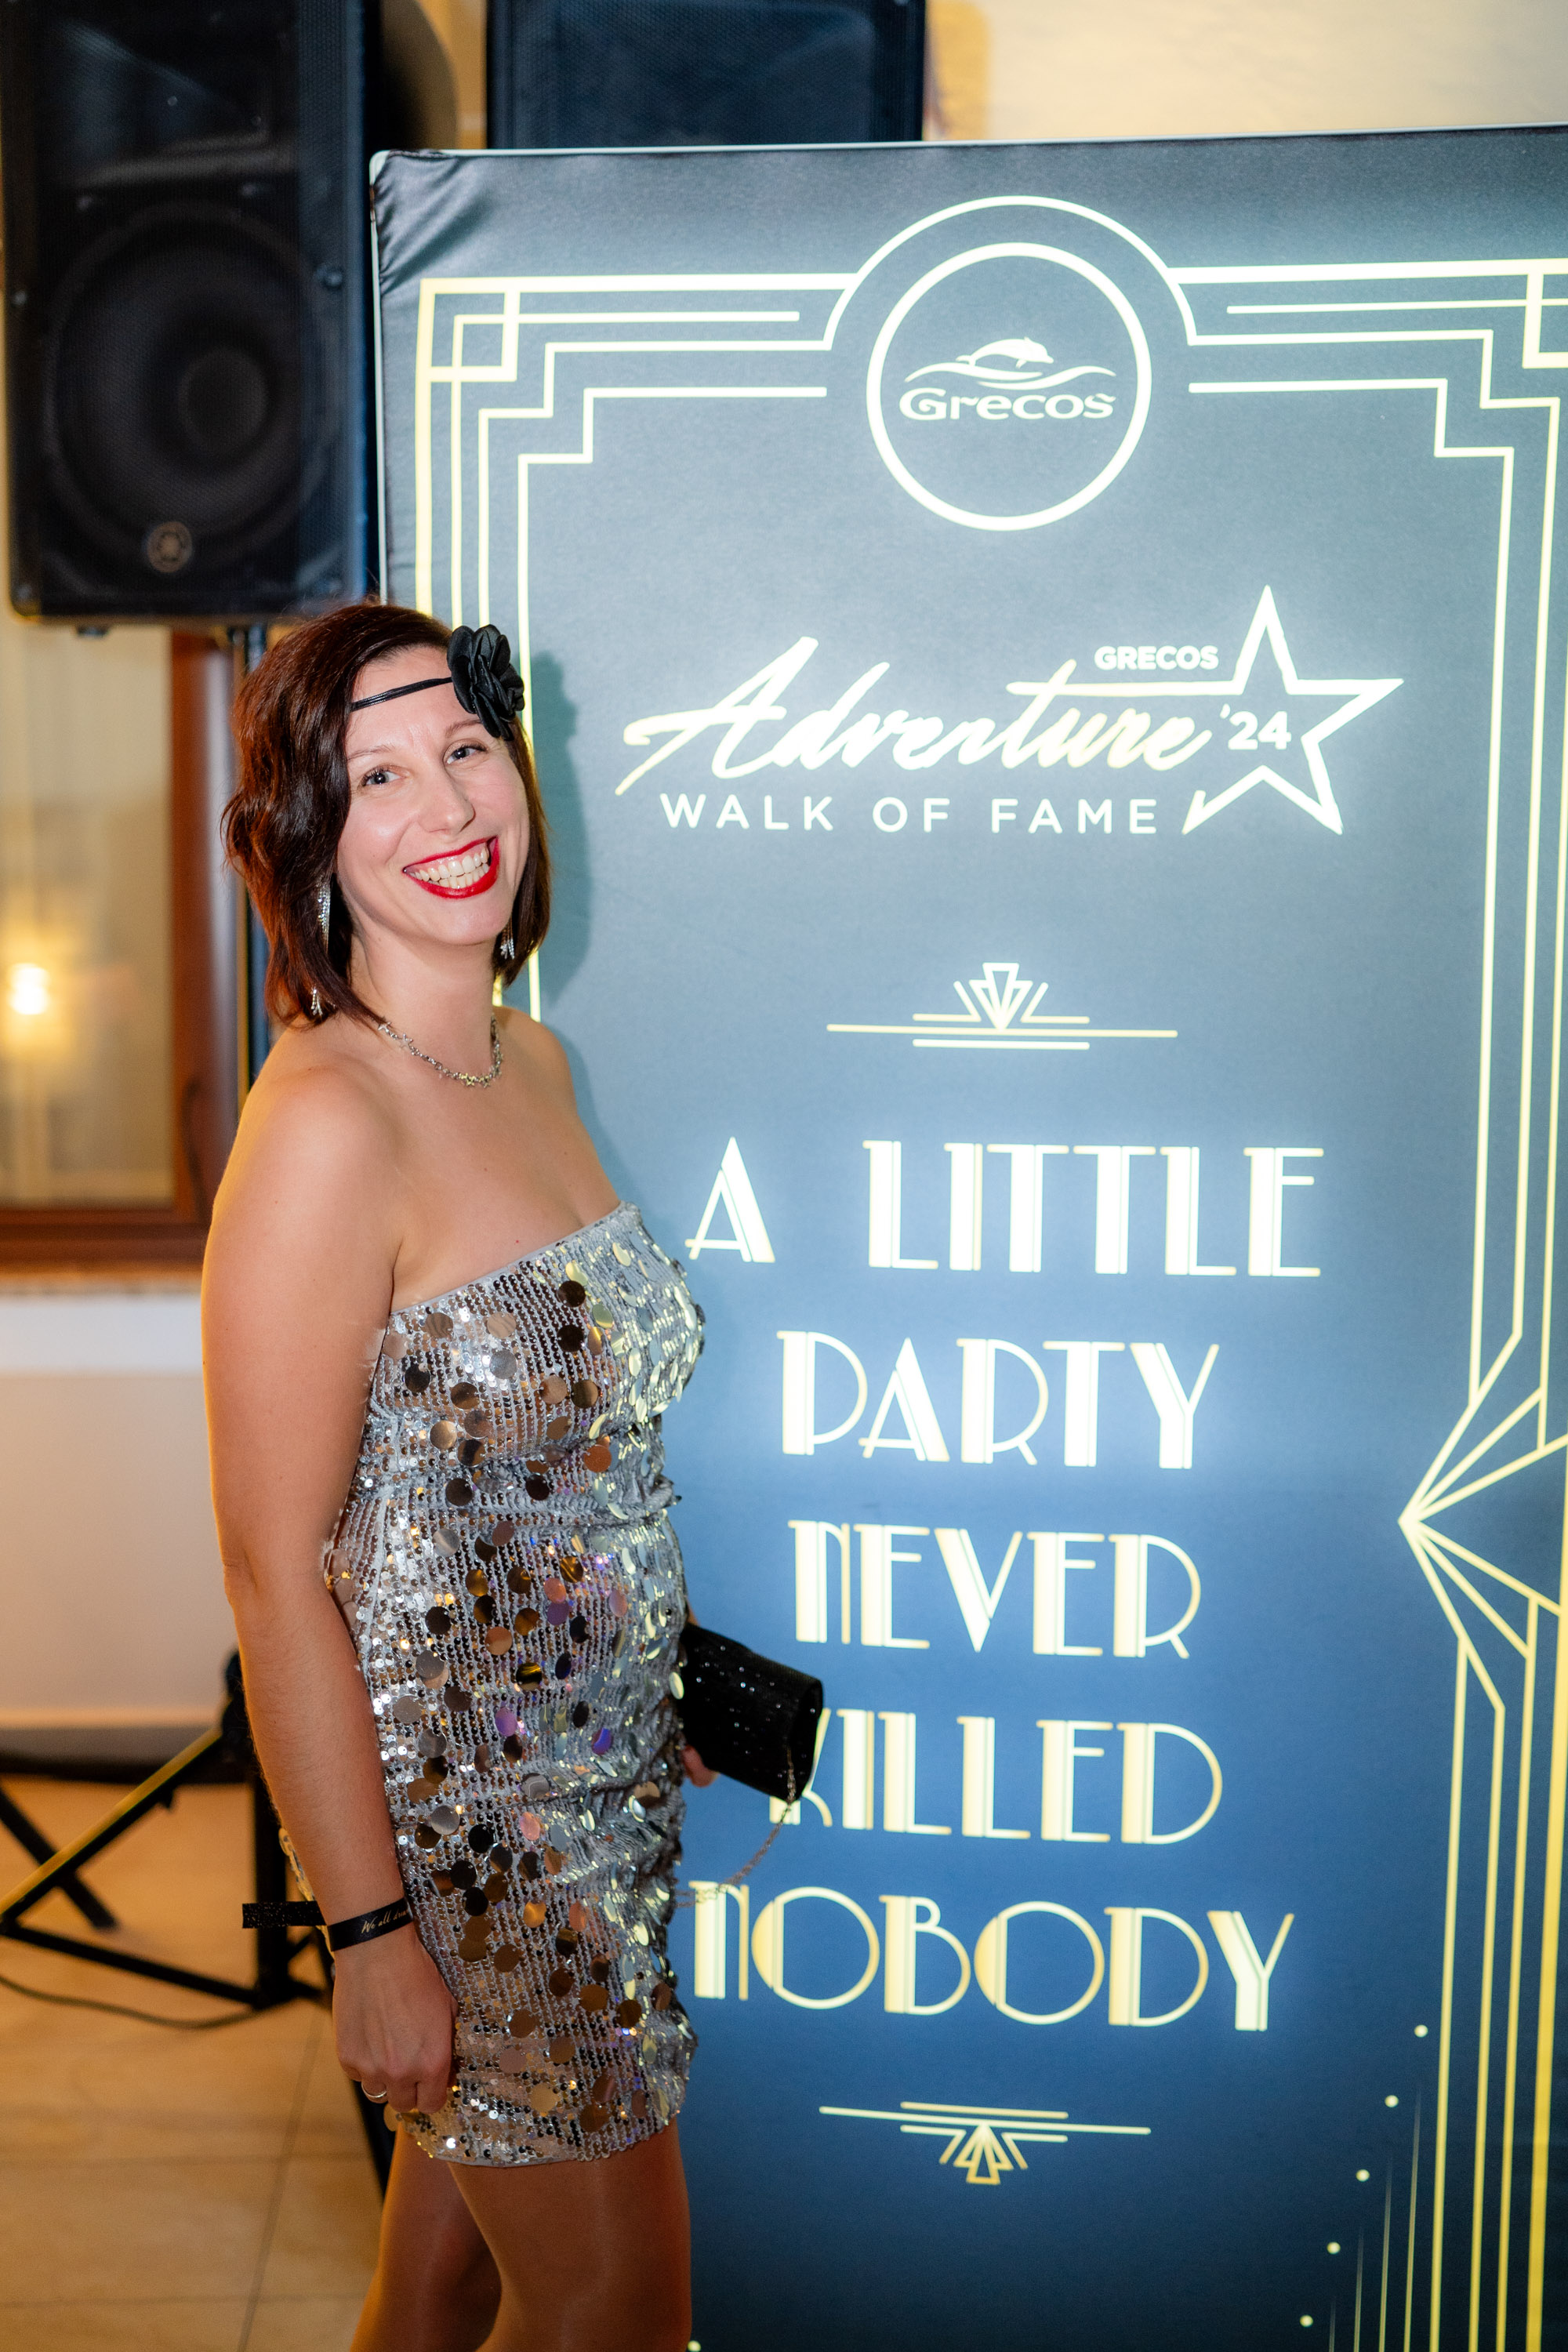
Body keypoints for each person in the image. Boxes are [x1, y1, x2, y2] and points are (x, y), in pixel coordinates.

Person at [203, 600, 712, 2352]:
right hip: (472, 1847)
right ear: (309, 840)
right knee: (617, 2311)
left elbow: (561, 1464)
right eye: (379, 777)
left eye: (467, 748)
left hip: (600, 1789)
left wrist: (654, 1661)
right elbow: (274, 1570)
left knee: (436, 2290)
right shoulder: (323, 1125)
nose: (449, 804)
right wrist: (366, 1936)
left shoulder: (531, 1060)